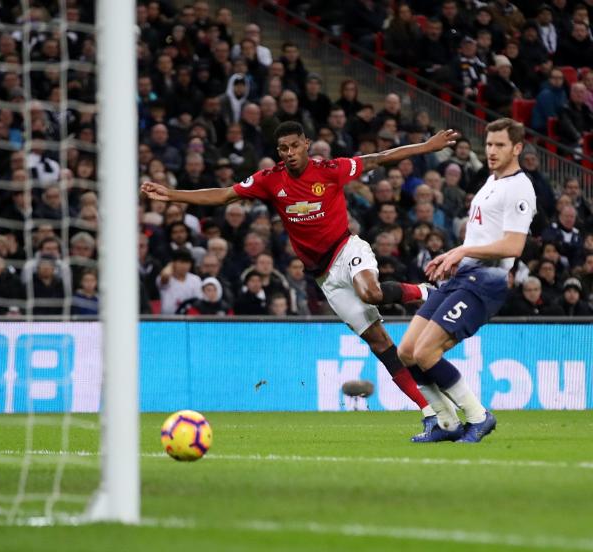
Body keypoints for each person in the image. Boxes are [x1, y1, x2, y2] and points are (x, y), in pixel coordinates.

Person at [142, 121, 463, 435]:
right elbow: (225, 195)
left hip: (346, 249)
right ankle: (430, 414)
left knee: (370, 291)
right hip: (324, 278)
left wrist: (426, 147)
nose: (290, 153)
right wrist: (172, 195)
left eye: (295, 145)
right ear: (278, 152)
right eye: (284, 148)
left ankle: (424, 291)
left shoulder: (330, 170)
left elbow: (378, 159)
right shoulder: (270, 180)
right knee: (380, 344)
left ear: (306, 144)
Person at [398, 118, 536, 444]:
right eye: (488, 144)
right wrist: (451, 256)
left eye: (500, 145)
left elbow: (514, 246)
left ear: (517, 148)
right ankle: (446, 423)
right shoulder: (491, 181)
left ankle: (478, 417)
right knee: (406, 352)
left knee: (427, 351)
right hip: (463, 275)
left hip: (486, 281)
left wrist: (461, 250)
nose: (491, 150)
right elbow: (482, 235)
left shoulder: (519, 187)